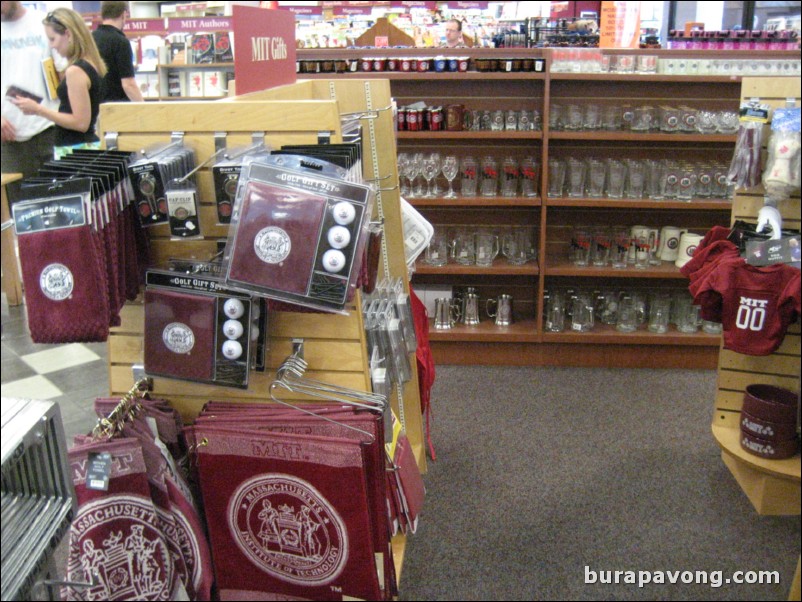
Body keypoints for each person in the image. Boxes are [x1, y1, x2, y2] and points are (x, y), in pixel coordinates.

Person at [12, 8, 107, 158]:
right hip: (82, 148)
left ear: (68, 34)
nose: (51, 46)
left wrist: (39, 110)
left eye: (52, 39)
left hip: (75, 150)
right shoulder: (90, 64)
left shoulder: (75, 71)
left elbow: (80, 123)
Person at [1, 1, 59, 201]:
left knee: (54, 206)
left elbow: (63, 71)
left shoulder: (42, 23)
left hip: (47, 129)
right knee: (16, 211)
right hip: (8, 138)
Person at [93, 1, 144, 103]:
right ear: (124, 14)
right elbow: (128, 84)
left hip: (94, 106)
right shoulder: (121, 42)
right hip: (117, 107)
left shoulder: (90, 38)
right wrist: (144, 107)